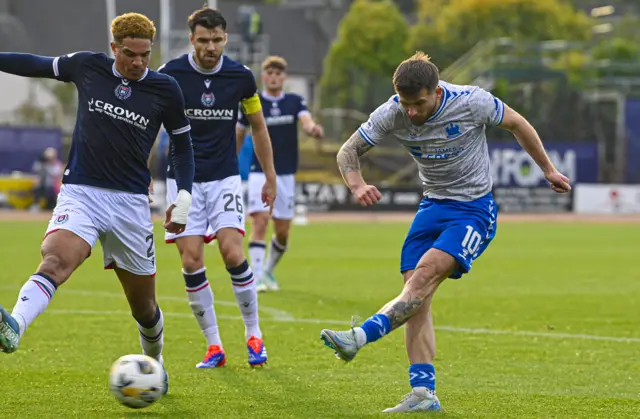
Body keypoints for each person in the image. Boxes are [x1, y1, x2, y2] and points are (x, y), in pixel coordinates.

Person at [319, 52, 571, 413]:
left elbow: (517, 122)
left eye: (418, 103)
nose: (411, 113)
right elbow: (348, 151)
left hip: (473, 210)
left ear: (436, 92)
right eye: (406, 104)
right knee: (414, 299)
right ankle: (424, 394)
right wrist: (357, 184)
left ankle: (357, 338)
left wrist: (547, 168)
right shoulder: (392, 111)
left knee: (420, 281)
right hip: (432, 208)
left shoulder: (471, 102)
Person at [0, 13, 195, 394]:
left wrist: (183, 195)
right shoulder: (87, 66)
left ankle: (154, 363)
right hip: (82, 192)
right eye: (130, 54)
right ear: (113, 48)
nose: (138, 62)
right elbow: (35, 64)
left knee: (144, 309)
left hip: (130, 205)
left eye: (144, 55)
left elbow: (184, 146)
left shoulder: (165, 89)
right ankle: (15, 326)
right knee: (55, 260)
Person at [158, 7, 276, 369]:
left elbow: (257, 126)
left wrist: (269, 176)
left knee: (232, 253)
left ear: (225, 38)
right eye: (203, 40)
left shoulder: (241, 77)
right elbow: (150, 125)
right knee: (191, 260)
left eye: (217, 40)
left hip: (223, 177)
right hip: (181, 181)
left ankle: (254, 335)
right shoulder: (170, 74)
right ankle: (214, 346)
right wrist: (141, 172)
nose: (211, 47)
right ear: (191, 39)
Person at [236, 56, 323, 292]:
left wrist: (312, 128)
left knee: (283, 233)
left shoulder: (295, 101)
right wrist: (229, 161)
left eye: (278, 74)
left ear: (284, 78)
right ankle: (255, 278)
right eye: (270, 73)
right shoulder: (252, 102)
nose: (274, 78)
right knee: (260, 221)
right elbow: (239, 133)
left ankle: (268, 271)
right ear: (263, 77)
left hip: (285, 174)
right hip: (259, 172)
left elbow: (305, 121)